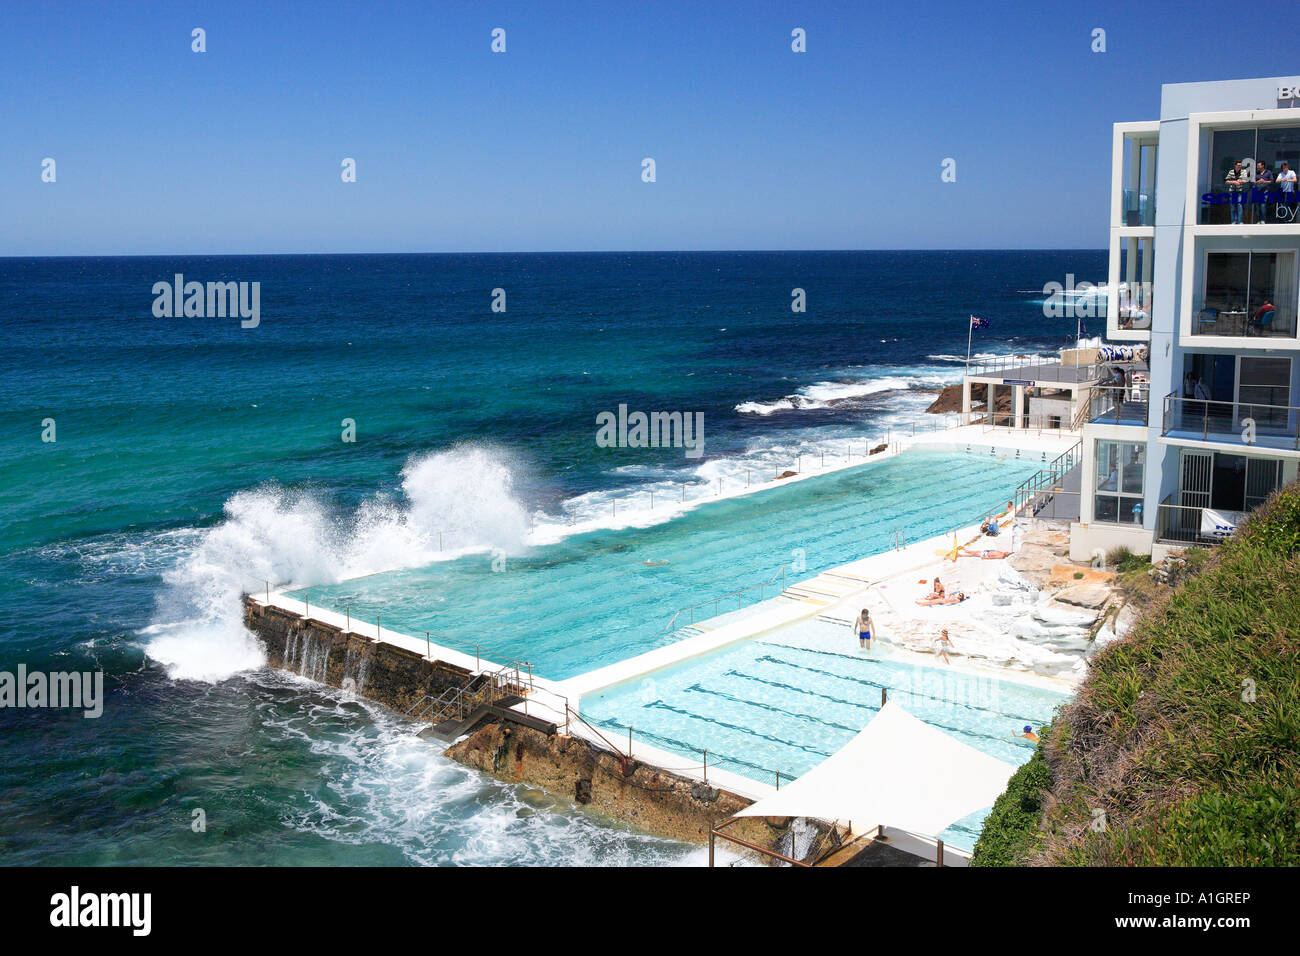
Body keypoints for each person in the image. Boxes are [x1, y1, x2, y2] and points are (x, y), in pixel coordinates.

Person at [1226, 160, 1246, 224]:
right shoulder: (1231, 172)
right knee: (1233, 206)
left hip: (1240, 191)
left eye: (1240, 165)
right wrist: (1233, 182)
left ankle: (1240, 221)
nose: (1240, 166)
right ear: (1235, 165)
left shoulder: (1243, 171)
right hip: (1232, 191)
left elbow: (1245, 180)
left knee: (1239, 205)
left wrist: (1239, 181)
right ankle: (1234, 221)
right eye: (1238, 165)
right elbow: (1226, 181)